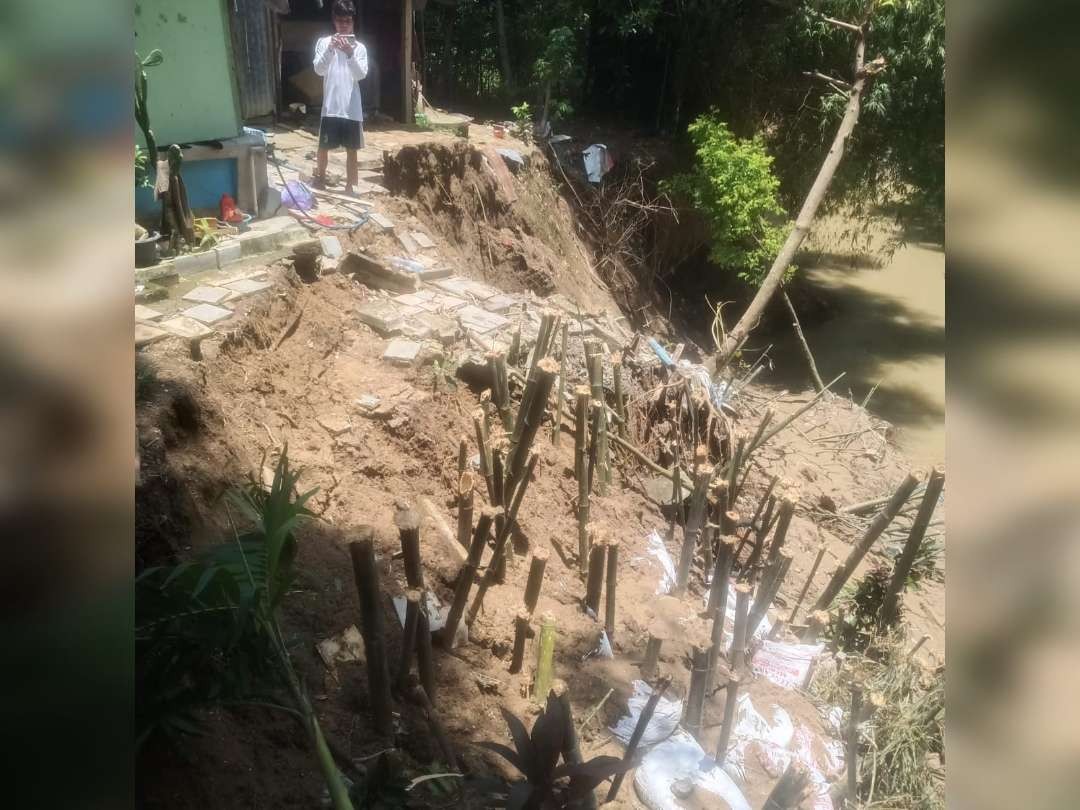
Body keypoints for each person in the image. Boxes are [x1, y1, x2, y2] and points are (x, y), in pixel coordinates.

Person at [312, 0, 368, 195]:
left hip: (351, 108)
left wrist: (350, 54)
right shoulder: (324, 43)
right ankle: (319, 178)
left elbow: (361, 75)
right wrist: (331, 50)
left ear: (353, 22)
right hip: (330, 106)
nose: (344, 24)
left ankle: (350, 186)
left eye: (347, 21)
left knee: (352, 150)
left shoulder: (359, 48)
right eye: (340, 20)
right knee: (323, 146)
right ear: (334, 21)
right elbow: (319, 70)